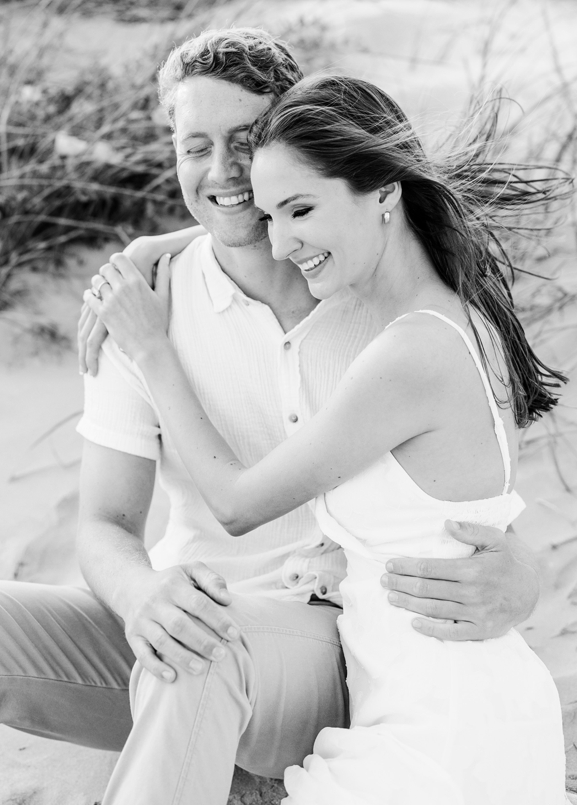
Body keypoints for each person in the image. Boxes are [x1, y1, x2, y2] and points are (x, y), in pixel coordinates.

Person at [0, 29, 543, 805]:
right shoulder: (142, 300)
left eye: (246, 142)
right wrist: (141, 597)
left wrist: (522, 574)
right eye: (195, 145)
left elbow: (458, 490)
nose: (223, 172)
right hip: (184, 617)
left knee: (198, 653)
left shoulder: (372, 297)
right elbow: (103, 522)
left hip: (328, 645)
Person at [87, 73, 568, 802]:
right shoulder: (458, 313)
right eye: (271, 214)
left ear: (383, 191)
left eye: (298, 210)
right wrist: (173, 239)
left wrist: (153, 351)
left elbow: (237, 503)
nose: (280, 242)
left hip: (441, 728)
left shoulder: (406, 355)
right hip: (428, 703)